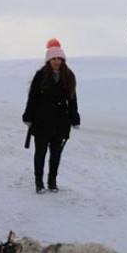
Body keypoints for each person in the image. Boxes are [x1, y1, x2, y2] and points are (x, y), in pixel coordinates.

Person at [22, 39, 80, 194]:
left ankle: (52, 181)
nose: (56, 62)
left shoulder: (68, 76)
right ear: (48, 60)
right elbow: (33, 97)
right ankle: (39, 182)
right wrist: (28, 115)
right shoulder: (41, 75)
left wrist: (74, 118)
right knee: (40, 153)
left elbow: (72, 99)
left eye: (59, 59)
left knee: (56, 154)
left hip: (60, 121)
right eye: (53, 59)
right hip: (41, 120)